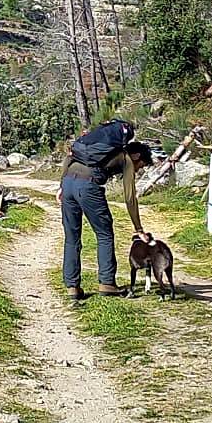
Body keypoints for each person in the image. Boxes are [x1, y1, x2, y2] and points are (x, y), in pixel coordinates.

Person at [59, 118, 150, 301]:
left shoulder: (93, 148)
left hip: (68, 183)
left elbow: (69, 157)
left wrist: (61, 186)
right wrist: (138, 228)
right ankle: (107, 283)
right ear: (137, 156)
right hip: (88, 186)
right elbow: (130, 197)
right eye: (140, 166)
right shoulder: (125, 158)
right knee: (104, 234)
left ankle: (72, 287)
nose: (137, 170)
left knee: (72, 237)